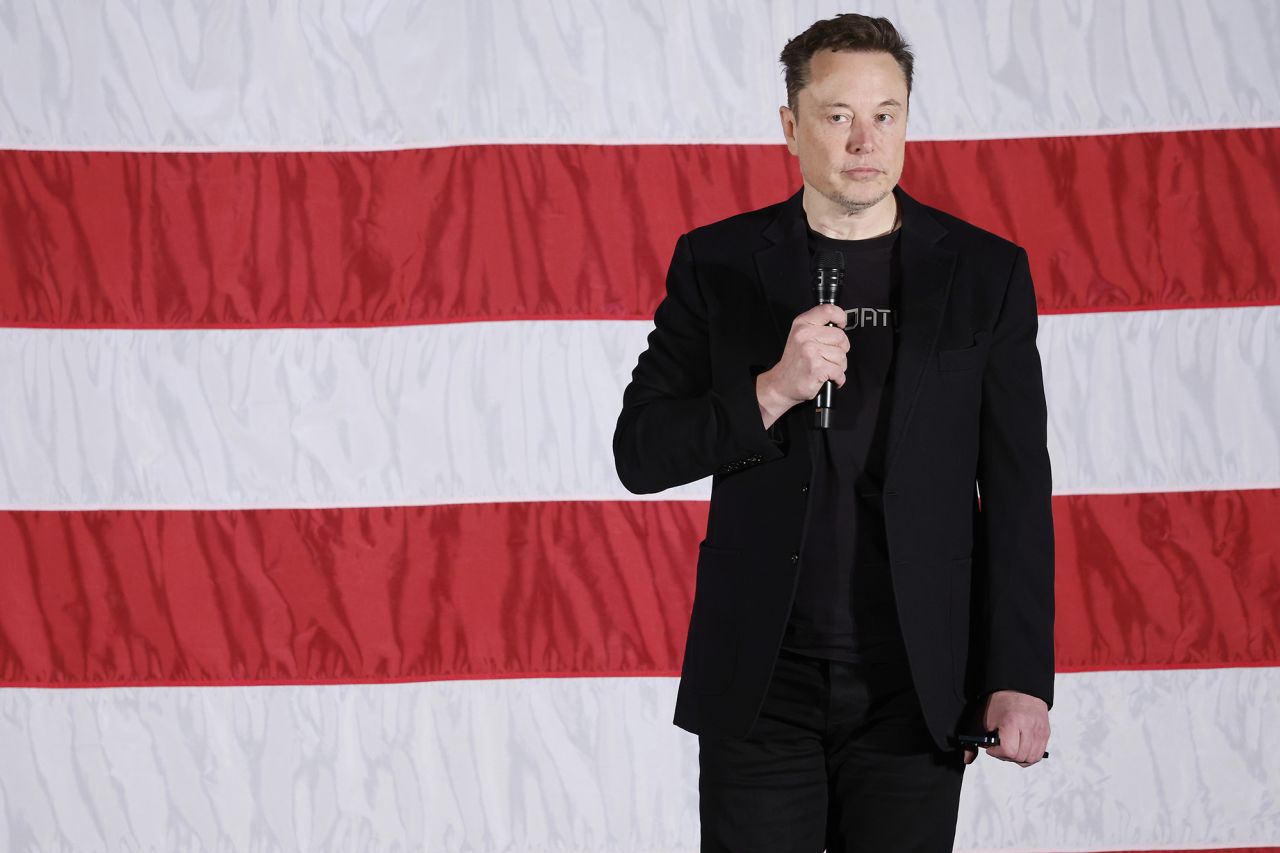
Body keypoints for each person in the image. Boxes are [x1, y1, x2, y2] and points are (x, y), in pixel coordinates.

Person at [612, 12, 1054, 853]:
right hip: (761, 683)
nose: (864, 139)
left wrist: (1019, 677)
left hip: (917, 684)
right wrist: (771, 389)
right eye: (838, 114)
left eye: (885, 114)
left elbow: (1019, 489)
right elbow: (640, 451)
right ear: (791, 125)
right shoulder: (719, 262)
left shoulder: (986, 272)